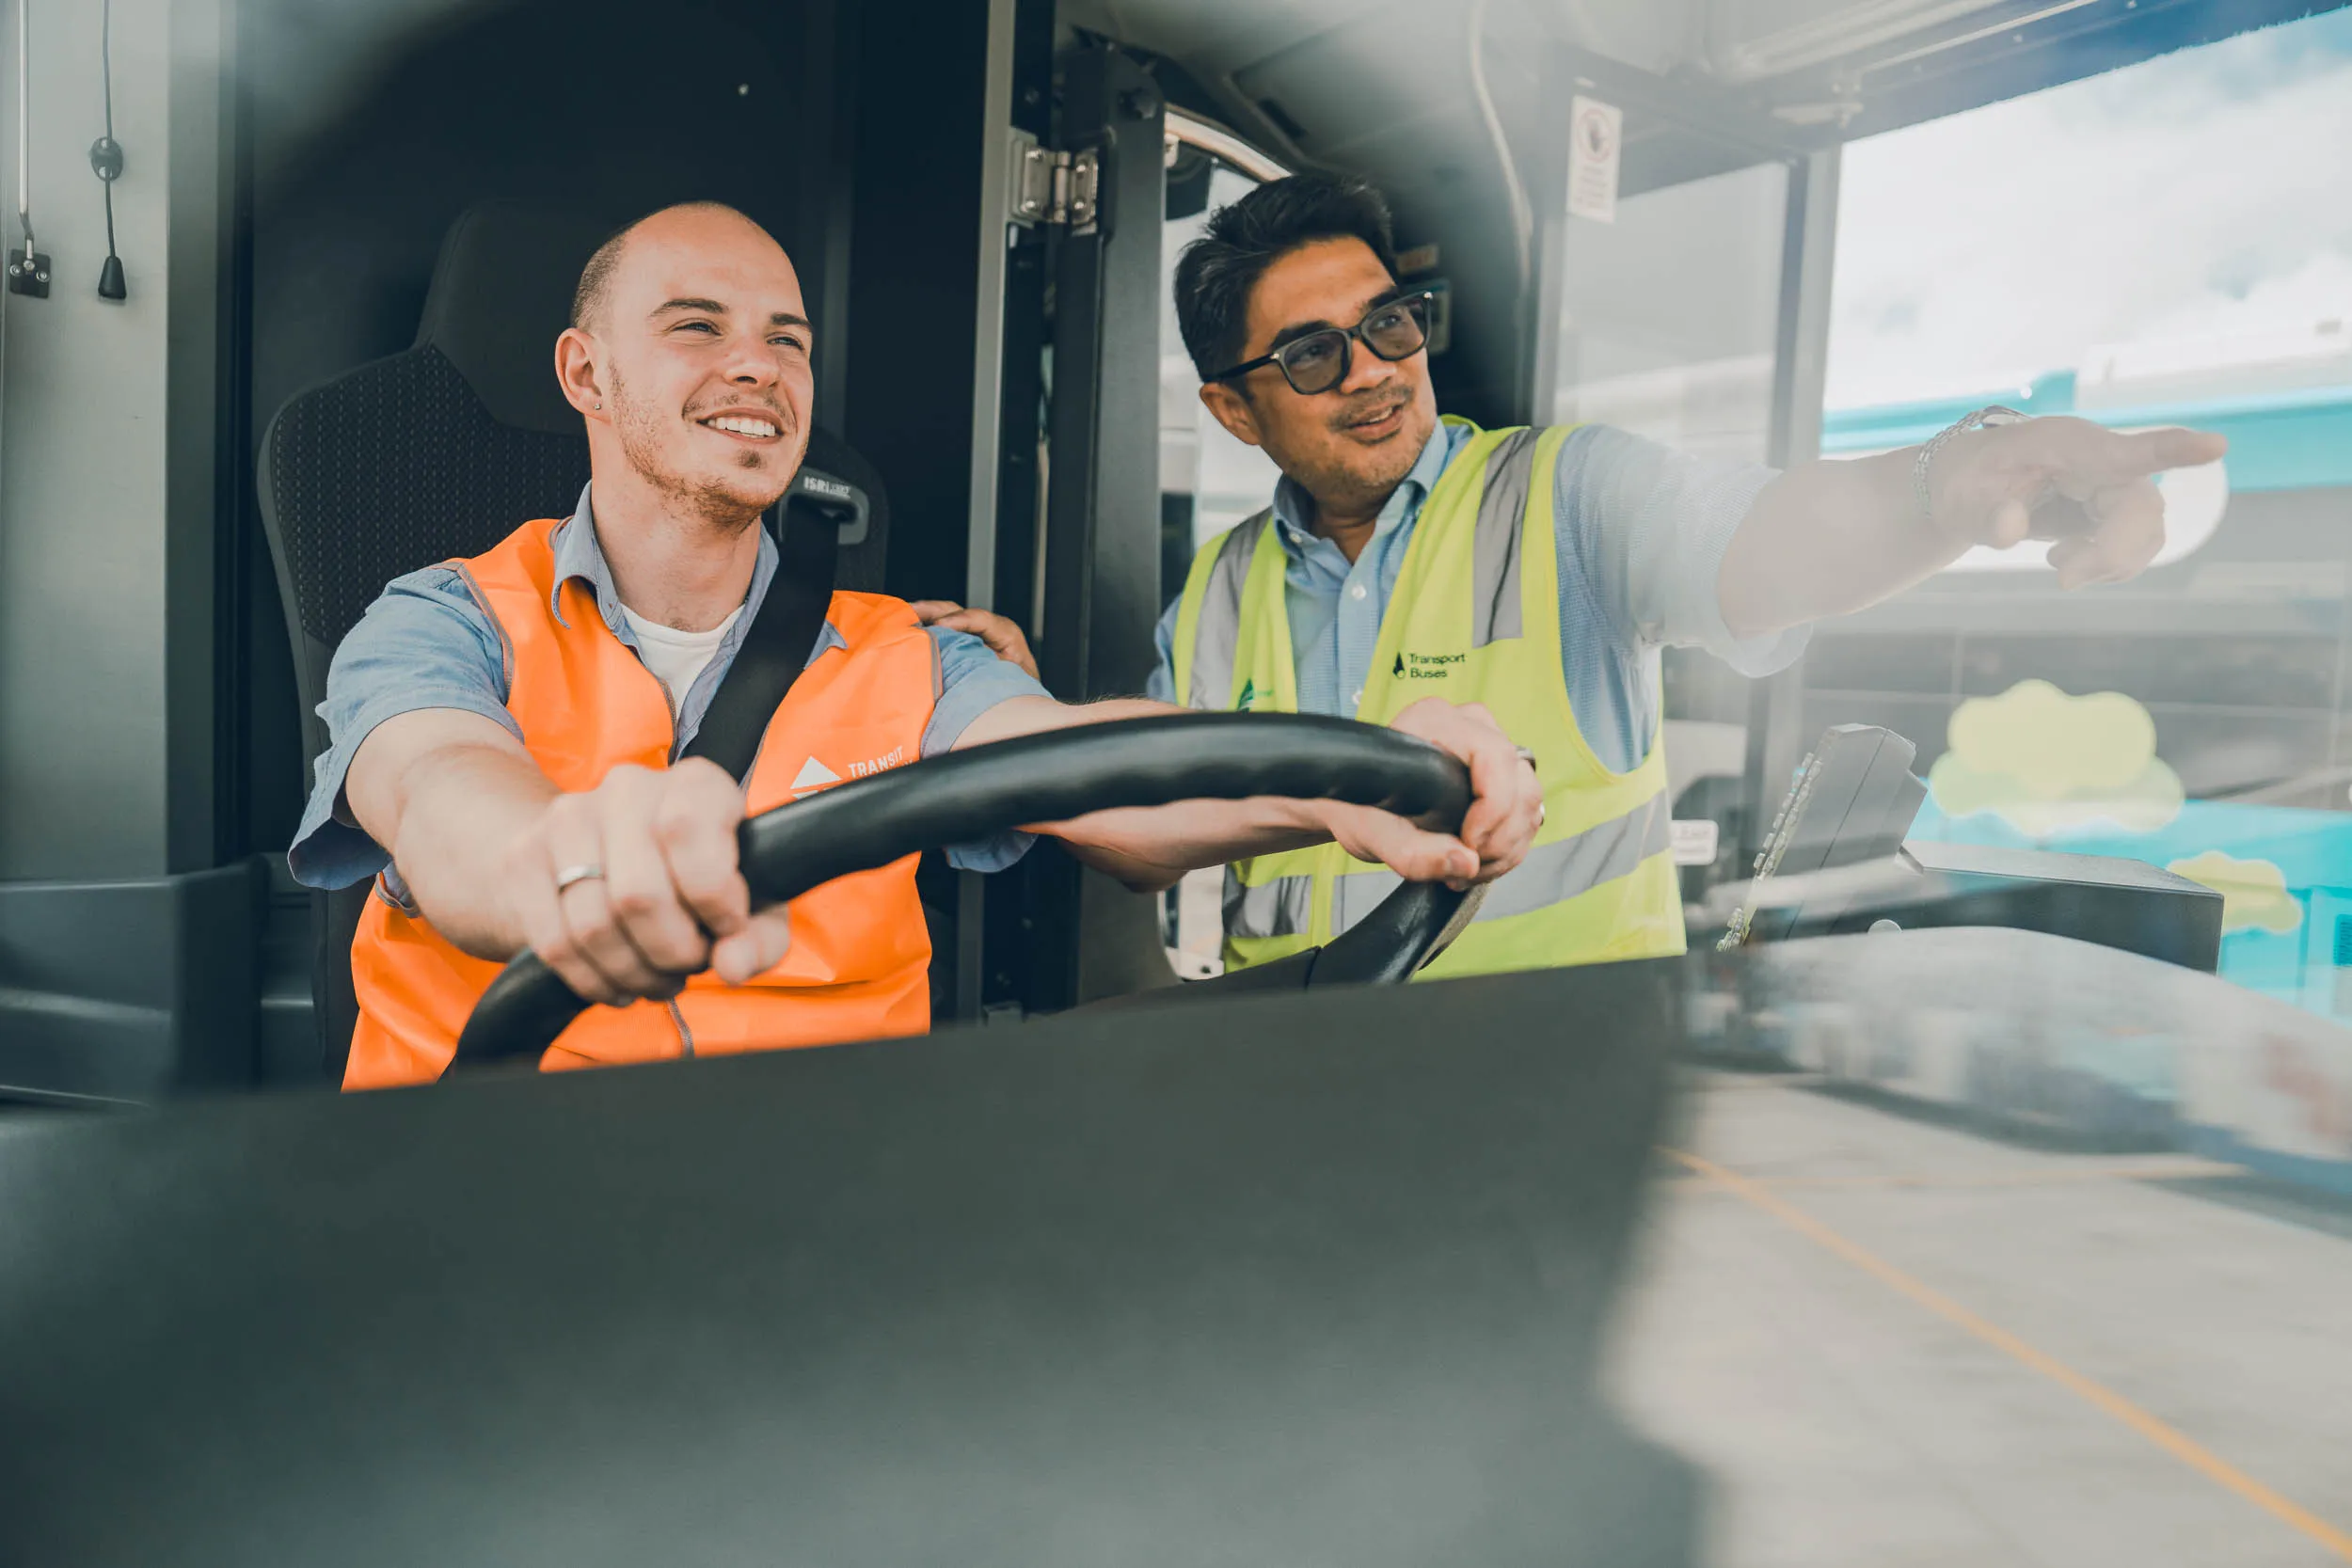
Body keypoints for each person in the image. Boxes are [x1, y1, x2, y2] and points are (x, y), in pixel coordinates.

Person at [288, 200, 1542, 1089]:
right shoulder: (444, 614)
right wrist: (550, 862)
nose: (758, 366)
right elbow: (435, 785)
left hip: (836, 1209)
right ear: (584, 371)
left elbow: (1099, 777)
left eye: (788, 338)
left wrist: (1346, 776)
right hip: (494, 1193)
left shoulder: (905, 651)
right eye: (696, 325)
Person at [1150, 172, 2226, 978]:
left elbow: (1775, 535)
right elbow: (1136, 826)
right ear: (1233, 409)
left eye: (1387, 322)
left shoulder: (1566, 496)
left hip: (1550, 1109)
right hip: (1290, 1097)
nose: (1375, 368)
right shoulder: (1213, 592)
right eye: (1312, 354)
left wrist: (1955, 474)